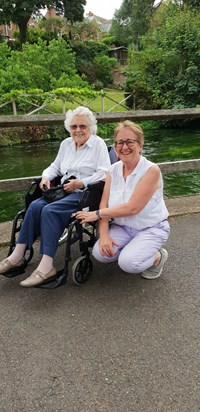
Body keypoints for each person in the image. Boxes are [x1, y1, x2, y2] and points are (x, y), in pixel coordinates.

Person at [0, 106, 111, 287]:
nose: (78, 130)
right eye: (74, 126)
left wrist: (81, 183)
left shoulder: (97, 144)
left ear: (90, 127)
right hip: (62, 190)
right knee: (35, 205)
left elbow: (105, 173)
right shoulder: (66, 144)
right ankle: (17, 256)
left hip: (85, 194)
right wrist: (46, 177)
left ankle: (46, 267)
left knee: (50, 210)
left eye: (82, 126)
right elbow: (55, 167)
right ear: (69, 128)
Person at [76, 120, 170, 280]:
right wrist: (104, 235)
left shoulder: (151, 170)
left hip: (150, 227)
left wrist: (97, 214)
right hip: (123, 227)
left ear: (140, 145)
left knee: (128, 264)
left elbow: (133, 208)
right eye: (120, 142)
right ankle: (133, 249)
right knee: (100, 254)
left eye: (129, 142)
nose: (124, 147)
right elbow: (104, 204)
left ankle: (158, 256)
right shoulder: (112, 171)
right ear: (115, 146)